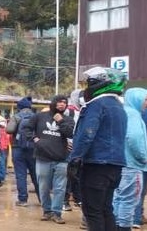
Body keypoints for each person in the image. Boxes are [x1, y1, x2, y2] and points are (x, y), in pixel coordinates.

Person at [69, 67, 127, 231]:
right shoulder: (119, 107)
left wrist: (74, 159)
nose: (86, 87)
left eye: (89, 83)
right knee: (106, 209)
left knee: (92, 211)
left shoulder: (96, 105)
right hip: (115, 166)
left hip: (96, 165)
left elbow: (87, 134)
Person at [24, 95, 74, 224]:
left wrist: (60, 121)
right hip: (43, 158)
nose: (62, 104)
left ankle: (57, 213)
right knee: (43, 187)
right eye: (59, 102)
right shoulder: (40, 116)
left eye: (65, 102)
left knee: (60, 188)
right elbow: (26, 128)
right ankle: (47, 211)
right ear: (53, 103)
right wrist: (34, 139)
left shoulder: (68, 119)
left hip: (62, 159)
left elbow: (70, 133)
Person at [113, 88, 147, 231]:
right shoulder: (133, 115)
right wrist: (144, 157)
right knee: (129, 200)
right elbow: (134, 138)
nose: (146, 103)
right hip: (133, 165)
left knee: (118, 198)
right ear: (137, 99)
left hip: (120, 163)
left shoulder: (122, 112)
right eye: (145, 99)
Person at [7, 96, 38, 207]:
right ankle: (43, 200)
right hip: (33, 148)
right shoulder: (36, 116)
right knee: (36, 174)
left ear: (19, 107)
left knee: (21, 175)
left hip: (18, 148)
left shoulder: (17, 116)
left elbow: (9, 130)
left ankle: (23, 200)